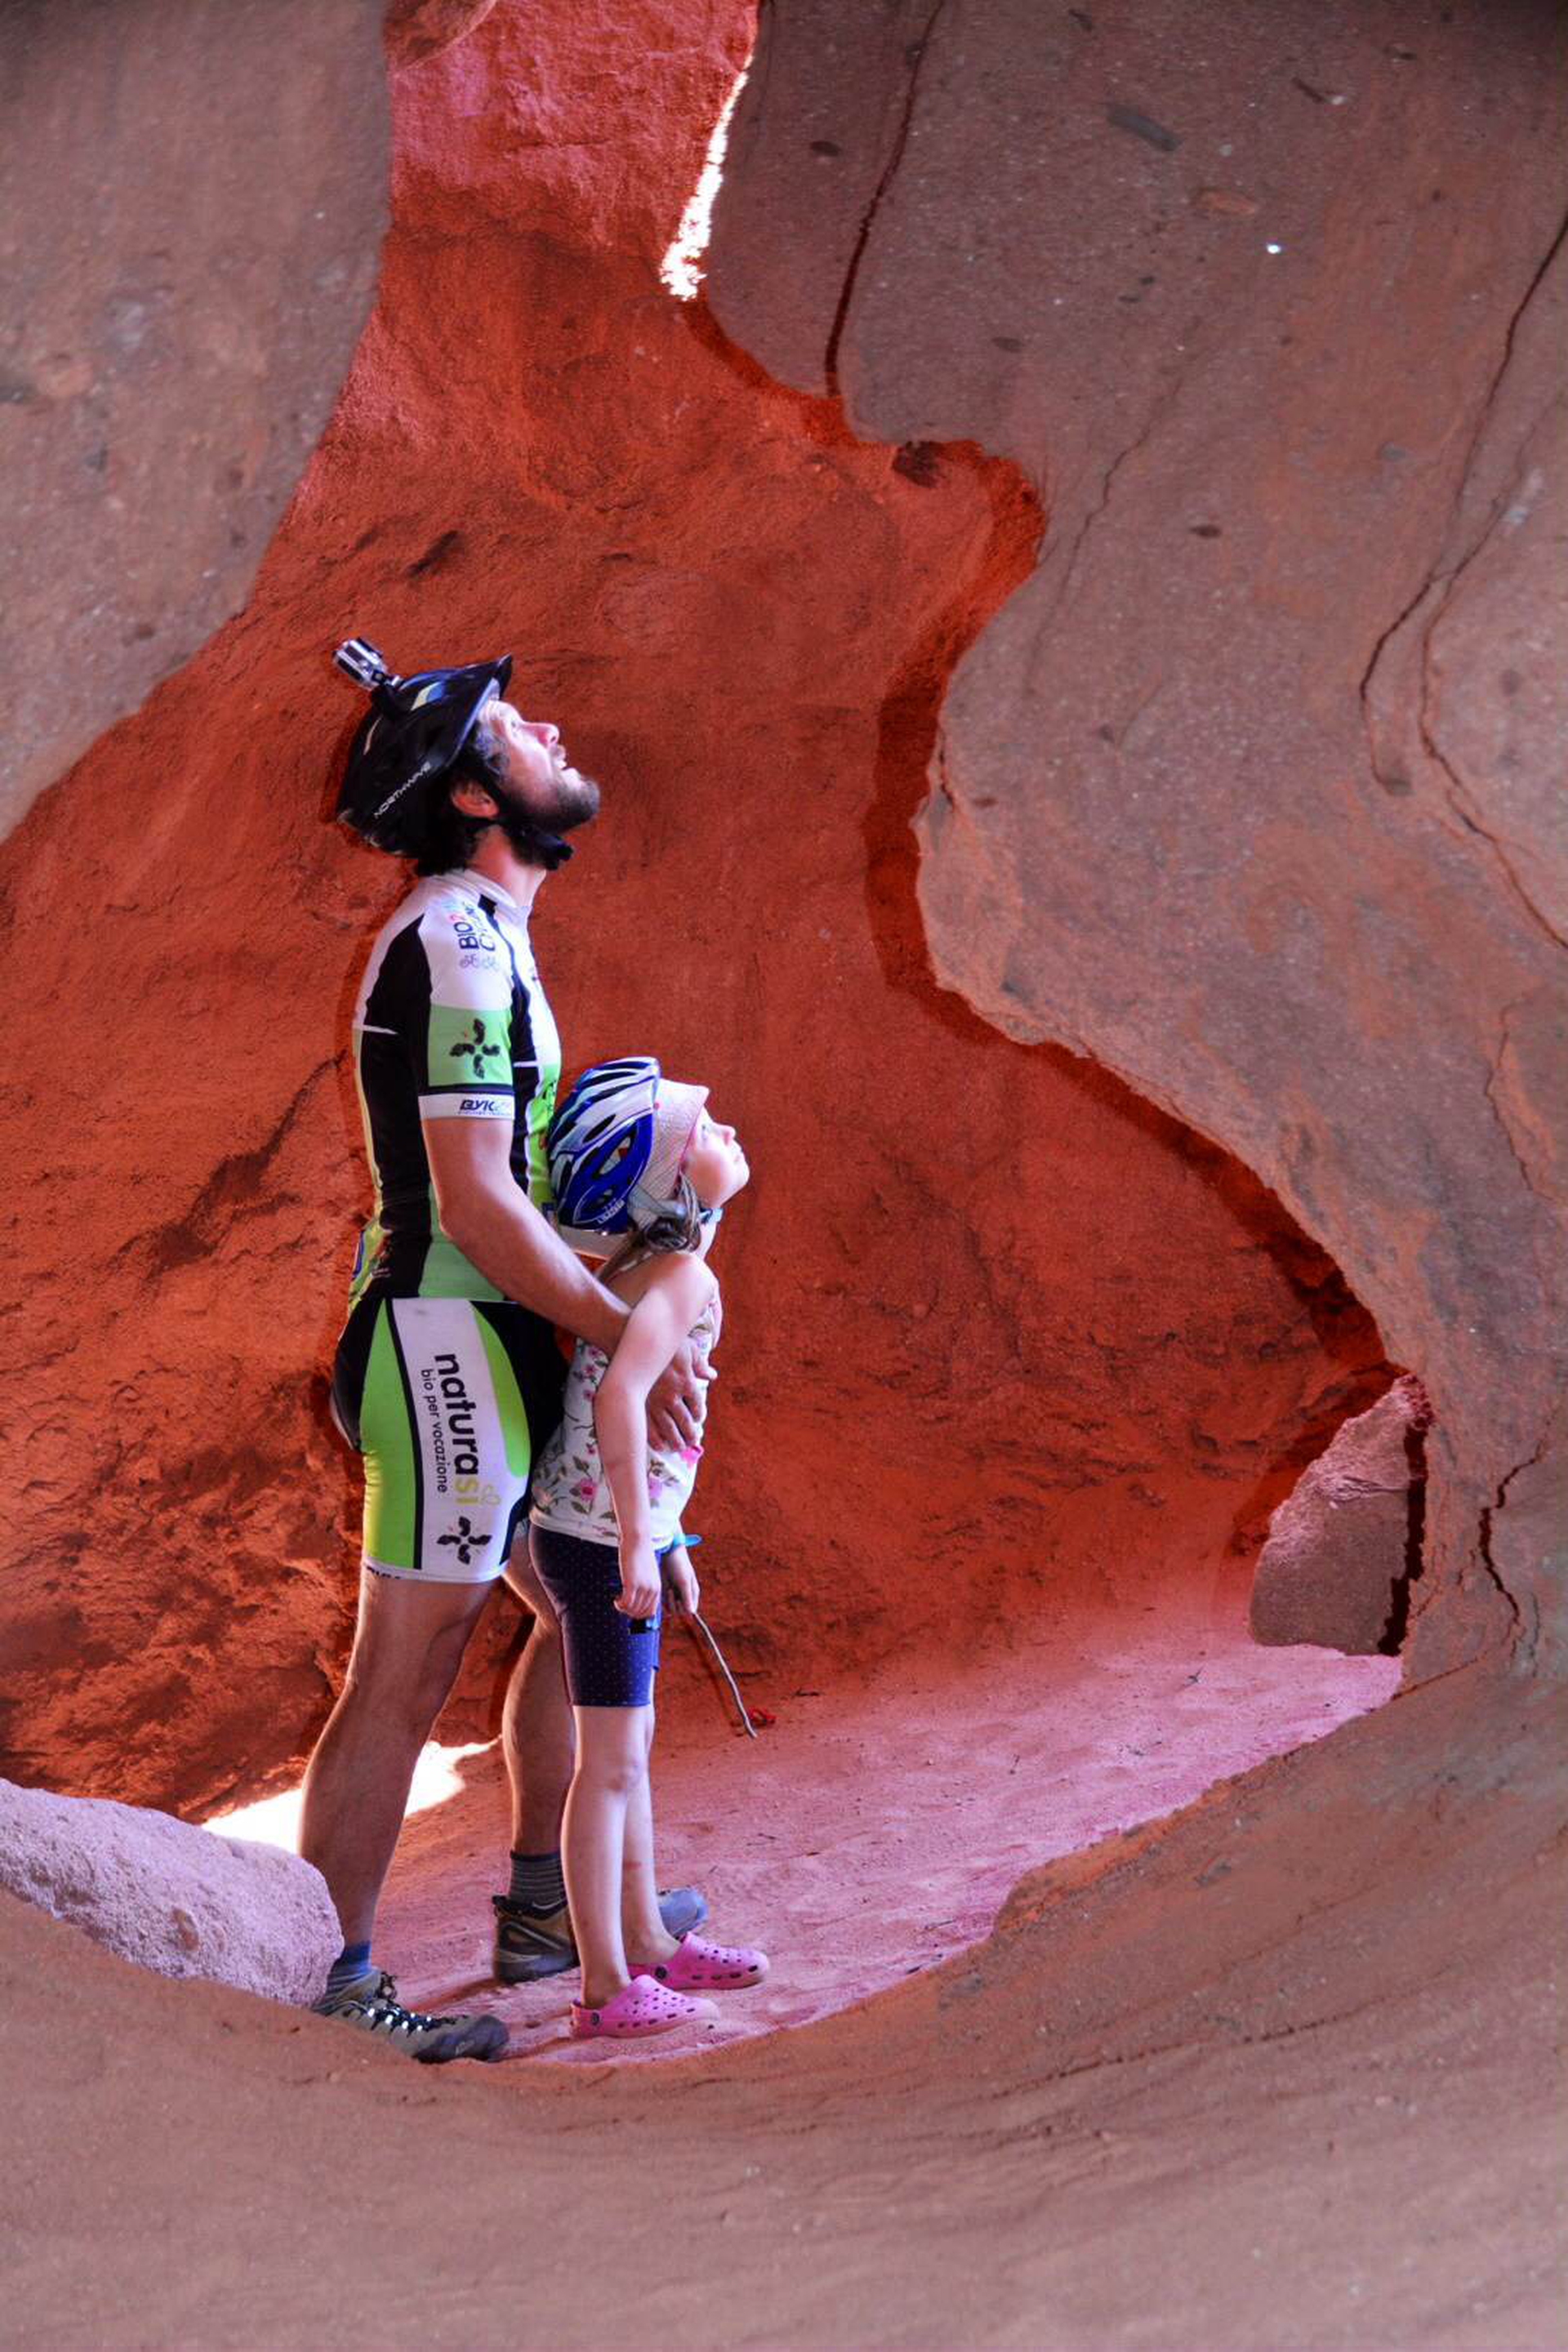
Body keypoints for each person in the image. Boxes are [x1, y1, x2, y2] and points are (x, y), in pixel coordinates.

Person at [303, 639, 709, 2063]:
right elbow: (475, 1195)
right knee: (407, 1671)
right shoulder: (458, 940)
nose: (546, 729)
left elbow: (511, 1191)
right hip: (445, 1342)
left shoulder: (491, 929)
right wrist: (625, 1331)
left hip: (493, 1331)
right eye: (512, 729)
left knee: (601, 1589)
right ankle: (339, 1983)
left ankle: (553, 1908)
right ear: (477, 794)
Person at [527, 1057, 768, 2040]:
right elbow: (623, 1402)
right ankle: (601, 1989)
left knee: (631, 1759)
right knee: (611, 1768)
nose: (728, 1133)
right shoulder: (679, 1274)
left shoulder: (644, 1268)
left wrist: (664, 1542)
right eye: (702, 1134)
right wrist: (634, 1544)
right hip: (594, 1546)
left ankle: (650, 1944)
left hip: (605, 1538)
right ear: (669, 1183)